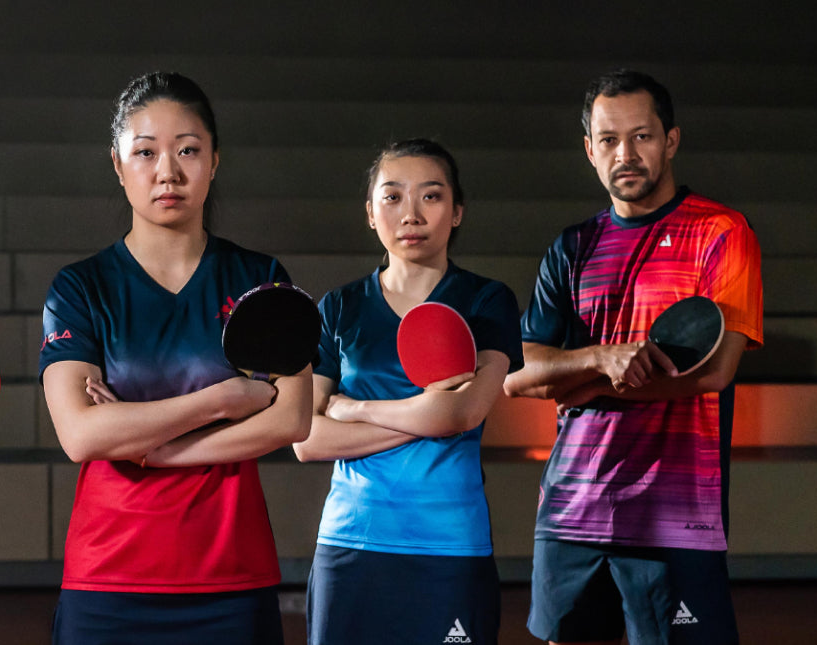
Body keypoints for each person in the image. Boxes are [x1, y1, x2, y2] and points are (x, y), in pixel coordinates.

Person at [37, 71, 313, 645]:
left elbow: (292, 419)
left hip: (232, 575)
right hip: (109, 578)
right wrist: (226, 398)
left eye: (188, 150)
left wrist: (153, 449)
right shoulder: (80, 288)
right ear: (118, 164)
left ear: (214, 161)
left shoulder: (259, 279)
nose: (169, 171)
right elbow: (82, 436)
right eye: (146, 152)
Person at [503, 70, 764, 645]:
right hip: (573, 509)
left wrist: (585, 384)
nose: (626, 153)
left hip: (675, 517)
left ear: (671, 140)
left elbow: (715, 372)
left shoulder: (722, 232)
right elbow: (522, 372)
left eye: (642, 136)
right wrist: (602, 359)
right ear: (590, 150)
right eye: (609, 139)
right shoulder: (571, 247)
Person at [293, 138, 521, 645]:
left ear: (457, 212)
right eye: (392, 197)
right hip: (350, 542)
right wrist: (427, 412)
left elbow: (462, 414)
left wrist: (354, 408)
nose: (411, 213)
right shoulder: (339, 307)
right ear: (371, 213)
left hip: (450, 546)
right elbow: (307, 439)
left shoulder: (487, 301)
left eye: (431, 196)